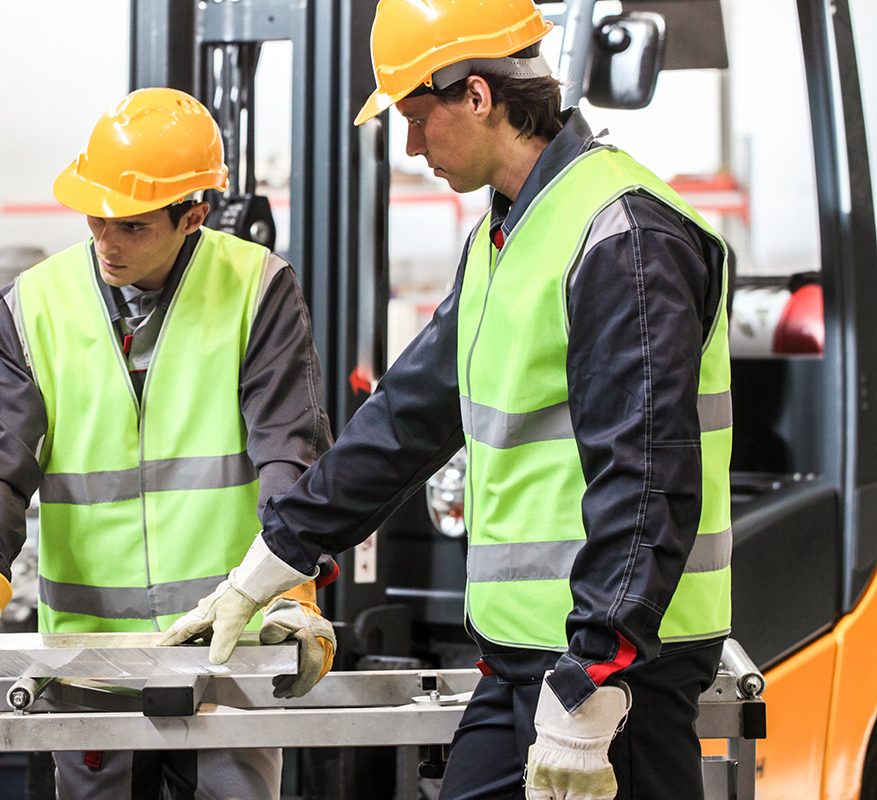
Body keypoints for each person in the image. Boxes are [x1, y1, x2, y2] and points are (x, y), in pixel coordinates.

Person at [160, 2, 732, 799]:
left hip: (613, 672)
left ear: (476, 95)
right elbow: (404, 421)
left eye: (417, 117)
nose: (409, 145)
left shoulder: (622, 236)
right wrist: (264, 567)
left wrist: (590, 693)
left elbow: (645, 484)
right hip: (525, 658)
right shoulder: (505, 239)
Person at [0, 87, 338, 799]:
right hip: (86, 659)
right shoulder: (30, 309)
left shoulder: (257, 291)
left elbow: (289, 451)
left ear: (194, 216)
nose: (107, 243)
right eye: (96, 218)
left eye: (133, 226)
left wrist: (293, 588)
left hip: (226, 647)